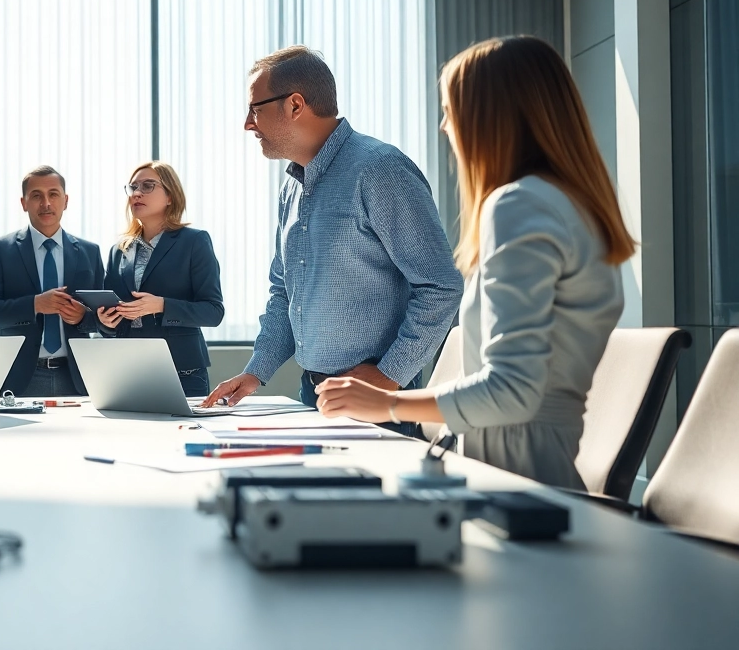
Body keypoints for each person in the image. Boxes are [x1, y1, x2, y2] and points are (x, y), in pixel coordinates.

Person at [314, 36, 632, 488]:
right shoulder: (571, 205)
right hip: (520, 472)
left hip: (513, 486)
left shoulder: (520, 206)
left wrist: (384, 403)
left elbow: (511, 391)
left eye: (451, 110)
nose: (445, 127)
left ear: (491, 117)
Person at [203, 46, 463, 439]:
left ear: (294, 105)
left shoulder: (381, 169)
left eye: (255, 109)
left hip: (377, 401)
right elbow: (284, 292)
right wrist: (257, 370)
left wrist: (388, 376)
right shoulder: (291, 188)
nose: (247, 124)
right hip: (314, 393)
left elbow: (441, 286)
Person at [96, 162, 224, 398]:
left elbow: (213, 312)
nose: (136, 193)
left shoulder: (194, 242)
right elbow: (112, 315)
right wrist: (106, 321)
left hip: (183, 371)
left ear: (170, 196)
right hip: (128, 370)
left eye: (147, 186)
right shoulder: (119, 250)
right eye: (133, 187)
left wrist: (161, 305)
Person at [0, 166, 104, 399]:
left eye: (53, 194)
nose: (46, 203)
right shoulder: (0, 249)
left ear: (65, 201)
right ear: (24, 203)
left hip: (78, 378)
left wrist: (83, 317)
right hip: (19, 379)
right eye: (36, 195)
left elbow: (105, 318)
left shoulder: (90, 252)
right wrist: (35, 305)